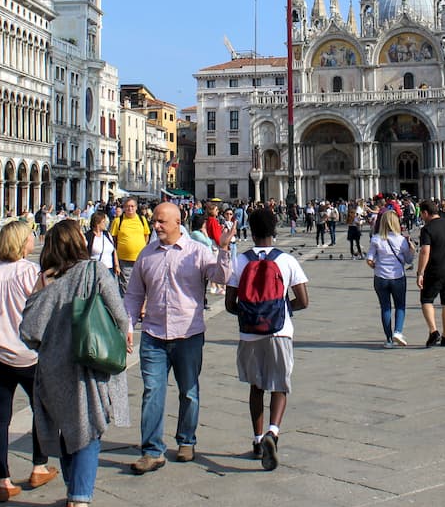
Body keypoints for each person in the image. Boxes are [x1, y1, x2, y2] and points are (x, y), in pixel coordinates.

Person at [19, 219, 131, 507]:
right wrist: (124, 335)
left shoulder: (46, 280)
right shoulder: (94, 271)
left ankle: (72, 494)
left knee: (69, 432)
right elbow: (119, 313)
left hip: (52, 370)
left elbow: (28, 332)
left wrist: (39, 293)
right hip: (86, 366)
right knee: (88, 431)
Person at [123, 202, 233, 474]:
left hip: (188, 333)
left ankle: (186, 440)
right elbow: (134, 294)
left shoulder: (197, 252)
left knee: (189, 392)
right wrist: (127, 324)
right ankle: (151, 450)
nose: (155, 225)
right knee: (152, 392)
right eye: (155, 221)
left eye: (161, 221)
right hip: (153, 333)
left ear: (177, 222)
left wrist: (224, 249)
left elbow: (221, 276)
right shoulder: (146, 255)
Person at [0, 220, 59, 503]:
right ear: (21, 243)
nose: (34, 239)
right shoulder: (32, 272)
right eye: (30, 236)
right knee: (41, 412)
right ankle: (38, 466)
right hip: (29, 355)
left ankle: (2, 480)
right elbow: (48, 308)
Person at [225, 207, 309, 470]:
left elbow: (229, 304)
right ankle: (273, 432)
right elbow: (304, 301)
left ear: (249, 229)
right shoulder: (287, 261)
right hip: (279, 331)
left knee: (256, 386)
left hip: (249, 334)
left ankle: (257, 439)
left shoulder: (240, 261)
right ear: (274, 230)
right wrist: (281, 311)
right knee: (280, 385)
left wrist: (252, 314)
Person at [415, 199, 445, 347]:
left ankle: (433, 331)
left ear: (425, 213)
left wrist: (420, 273)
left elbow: (425, 252)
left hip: (434, 270)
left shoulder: (427, 229)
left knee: (427, 300)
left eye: (422, 214)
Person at [366, 210, 412, 347]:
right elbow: (409, 260)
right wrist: (412, 249)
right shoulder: (402, 240)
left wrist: (377, 267)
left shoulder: (376, 239)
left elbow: (369, 259)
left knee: (385, 308)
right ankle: (398, 331)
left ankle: (389, 340)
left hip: (380, 278)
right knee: (400, 306)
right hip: (398, 277)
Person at [110, 198, 152, 282]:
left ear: (136, 207)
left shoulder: (142, 219)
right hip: (124, 259)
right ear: (124, 208)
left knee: (141, 283)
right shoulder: (118, 221)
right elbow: (113, 239)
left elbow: (146, 235)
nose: (130, 209)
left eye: (132, 206)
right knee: (126, 285)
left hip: (140, 258)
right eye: (127, 206)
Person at [87, 211, 118, 281]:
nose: (105, 224)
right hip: (95, 270)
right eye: (103, 222)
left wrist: (116, 265)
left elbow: (114, 250)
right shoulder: (89, 236)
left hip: (109, 268)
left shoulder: (107, 234)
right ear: (97, 223)